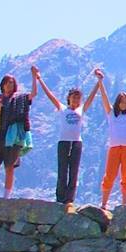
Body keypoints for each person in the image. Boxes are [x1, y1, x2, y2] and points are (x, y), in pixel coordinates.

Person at [0, 67, 42, 197]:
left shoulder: (20, 99)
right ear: (2, 85)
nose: (9, 85)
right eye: (7, 82)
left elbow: (33, 94)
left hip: (13, 137)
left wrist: (34, 77)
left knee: (9, 166)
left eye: (12, 83)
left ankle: (6, 197)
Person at [31, 70, 91, 205]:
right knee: (62, 170)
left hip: (76, 143)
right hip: (63, 142)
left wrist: (98, 82)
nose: (76, 100)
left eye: (78, 98)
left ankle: (70, 199)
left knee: (74, 171)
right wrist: (39, 79)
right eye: (73, 97)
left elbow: (91, 98)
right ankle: (60, 198)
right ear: (69, 98)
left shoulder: (81, 110)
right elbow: (50, 95)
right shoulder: (63, 109)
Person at [90, 69, 126, 209]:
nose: (124, 104)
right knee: (109, 175)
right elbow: (104, 97)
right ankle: (104, 204)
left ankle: (124, 204)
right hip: (114, 146)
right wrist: (100, 81)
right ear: (118, 103)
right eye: (122, 102)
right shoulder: (111, 113)